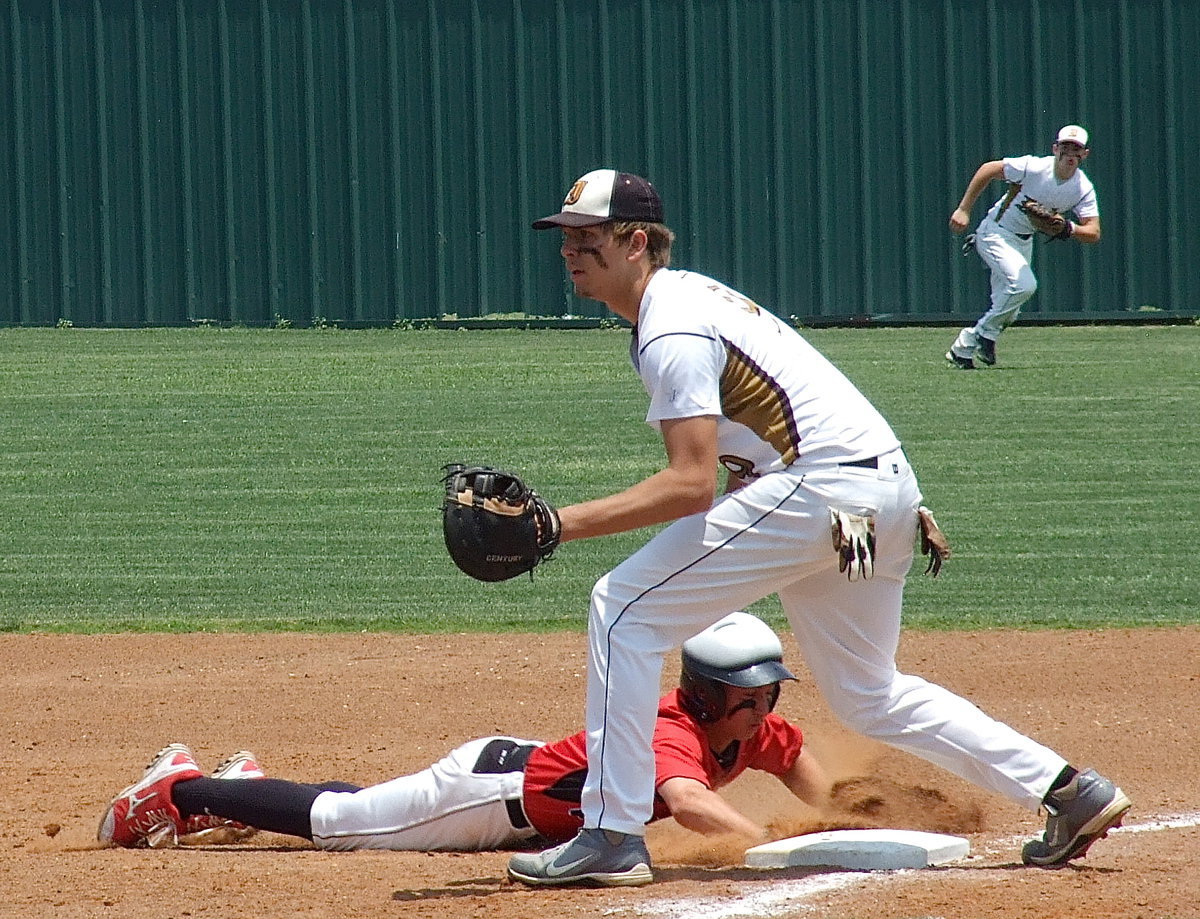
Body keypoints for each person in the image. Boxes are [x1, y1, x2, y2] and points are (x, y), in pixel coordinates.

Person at [506, 168, 1130, 887]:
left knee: (622, 609)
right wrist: (893, 500)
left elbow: (690, 482)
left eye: (587, 237)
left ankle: (612, 832)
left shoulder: (670, 324)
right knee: (869, 692)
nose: (569, 250)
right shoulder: (689, 301)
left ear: (636, 242)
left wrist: (556, 524)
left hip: (820, 490)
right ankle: (1066, 788)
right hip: (869, 491)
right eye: (566, 238)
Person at [97, 612, 832, 874]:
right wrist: (778, 842)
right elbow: (689, 805)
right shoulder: (673, 728)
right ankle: (176, 788)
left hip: (511, 780)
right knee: (342, 825)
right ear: (709, 693)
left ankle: (248, 789)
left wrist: (845, 819)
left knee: (378, 811)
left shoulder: (745, 728)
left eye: (769, 690)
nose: (766, 702)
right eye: (752, 692)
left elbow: (798, 760)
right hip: (490, 798)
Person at [946, 124, 1101, 369]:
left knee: (1010, 310)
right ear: (1055, 149)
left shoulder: (1082, 188)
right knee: (1024, 286)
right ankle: (978, 336)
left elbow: (1093, 232)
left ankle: (963, 352)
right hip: (995, 232)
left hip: (1023, 240)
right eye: (1065, 148)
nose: (1070, 154)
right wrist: (964, 209)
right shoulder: (1034, 167)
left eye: (1076, 149)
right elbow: (989, 169)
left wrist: (1068, 228)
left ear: (1085, 154)